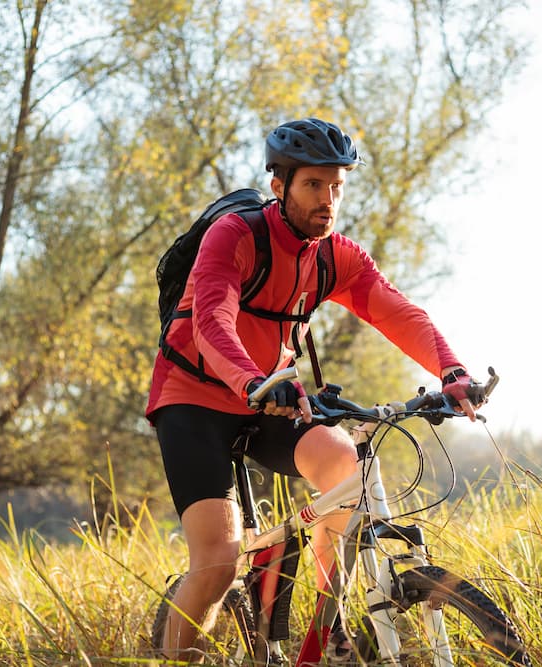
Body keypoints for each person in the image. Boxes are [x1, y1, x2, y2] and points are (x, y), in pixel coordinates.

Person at [146, 117, 486, 661]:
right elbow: (212, 321)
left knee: (341, 458)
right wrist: (253, 380)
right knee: (215, 562)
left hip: (273, 396)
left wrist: (452, 371)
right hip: (194, 397)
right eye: (313, 185)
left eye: (337, 186)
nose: (328, 199)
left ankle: (328, 624)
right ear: (279, 186)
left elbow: (397, 312)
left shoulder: (336, 256)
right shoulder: (235, 236)